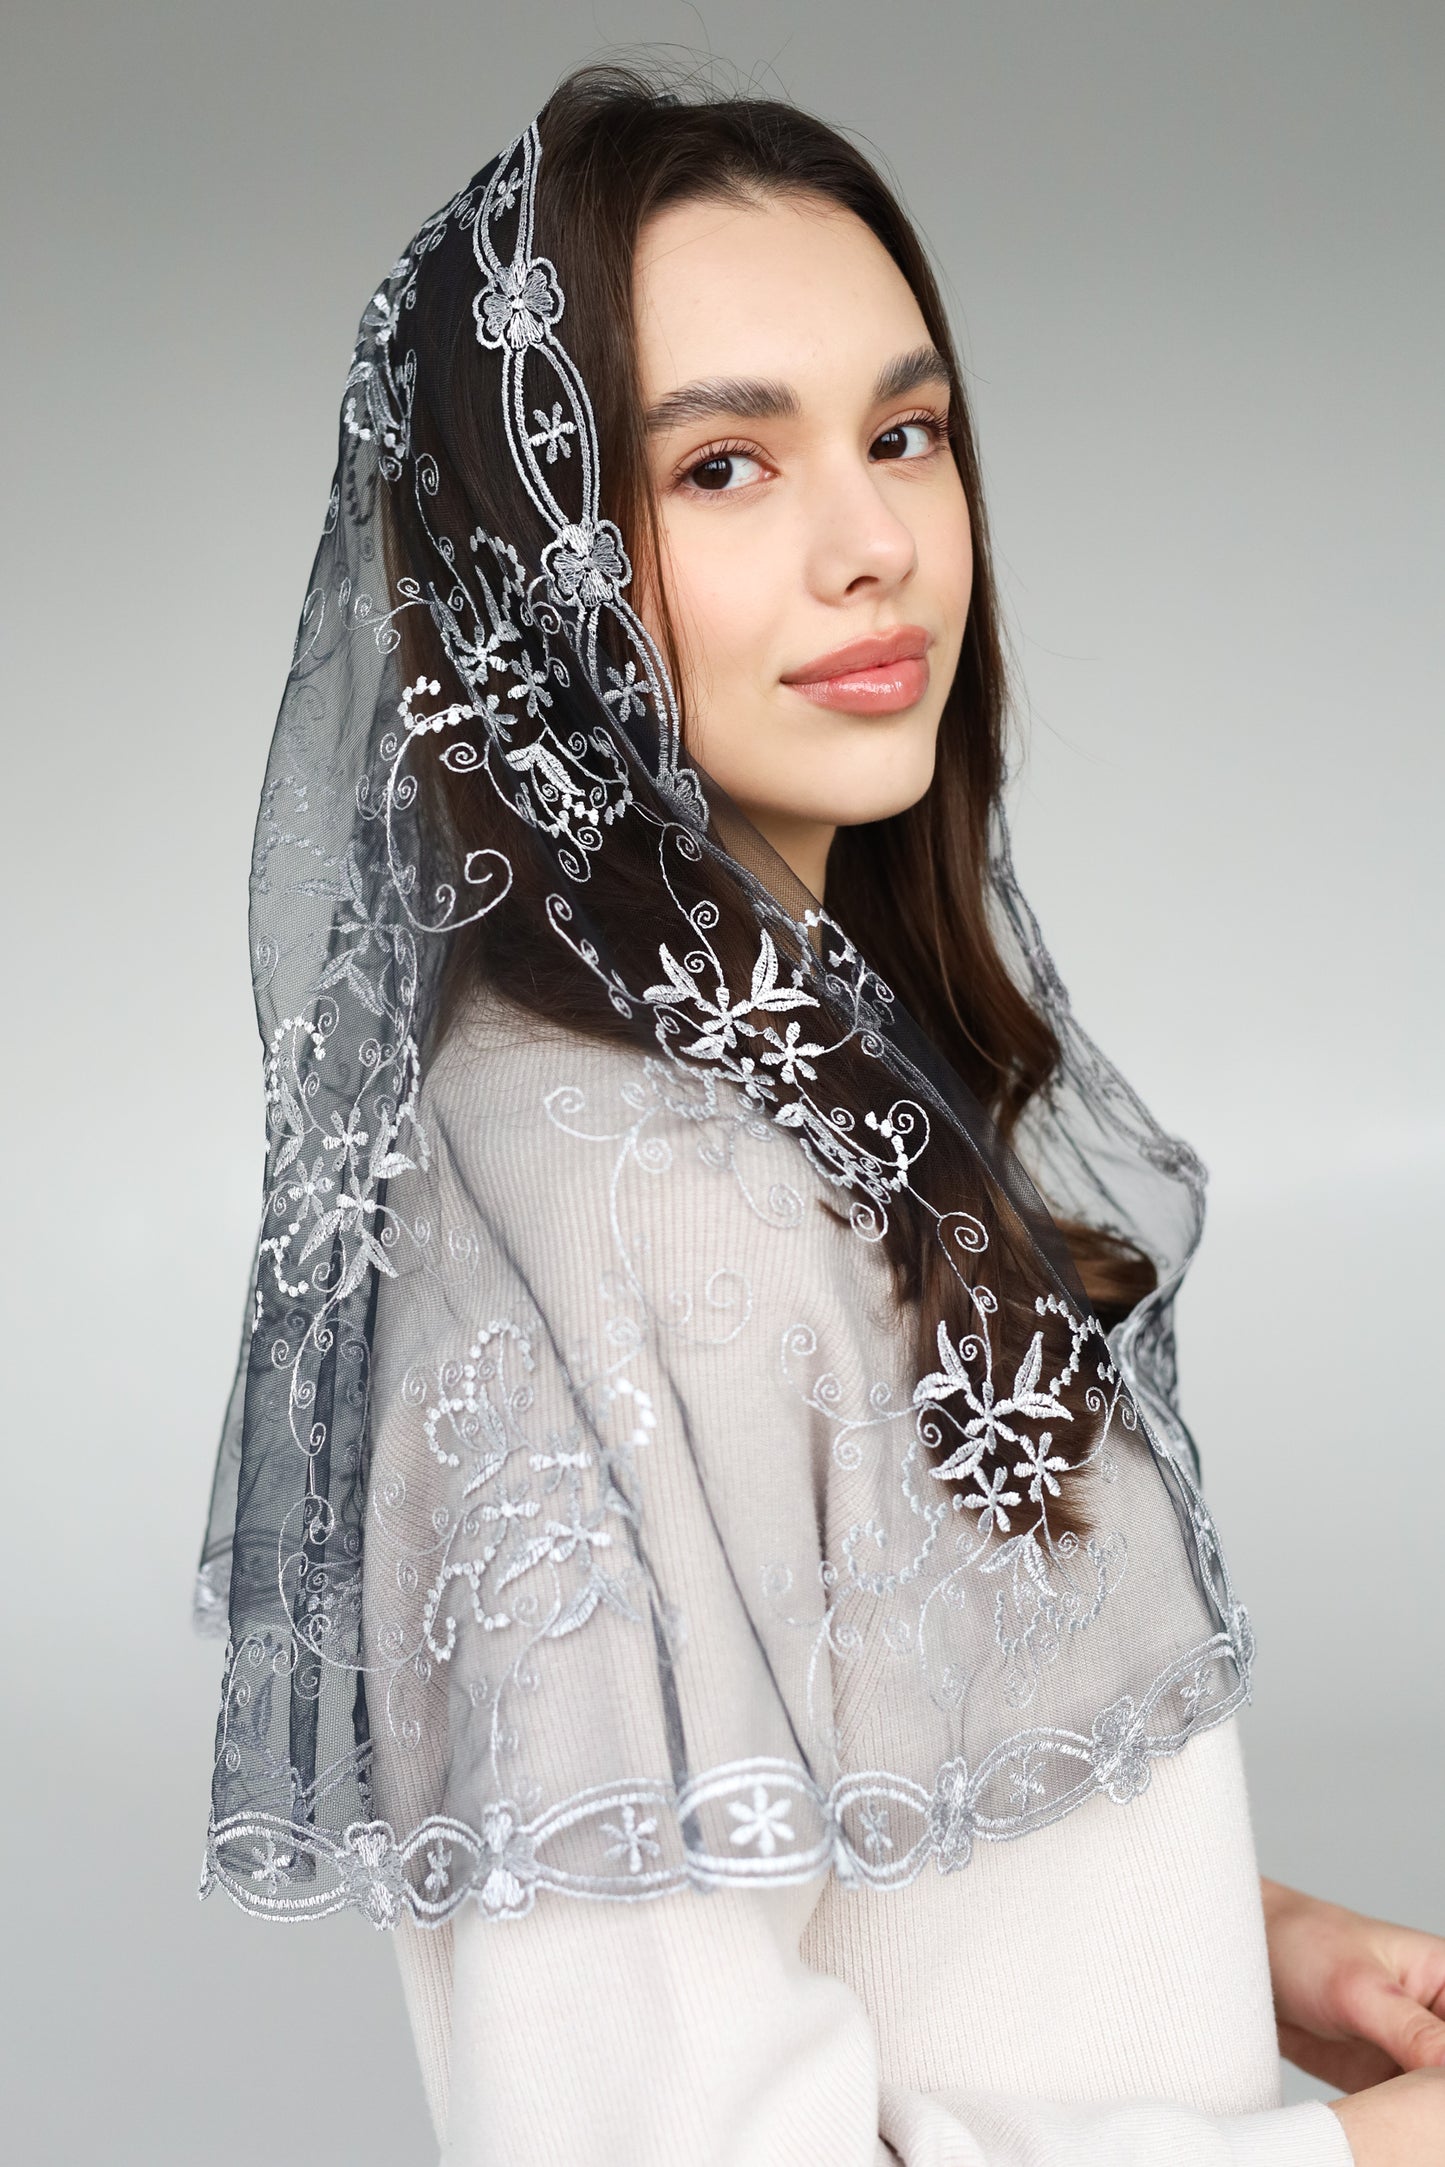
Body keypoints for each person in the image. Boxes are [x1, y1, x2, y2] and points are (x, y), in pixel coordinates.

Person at [194, 61, 1445, 2167]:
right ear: (526, 568)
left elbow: (841, 1785)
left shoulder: (795, 1067)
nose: (875, 548)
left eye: (903, 433)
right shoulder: (622, 1204)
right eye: (721, 467)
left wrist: (1263, 1954)